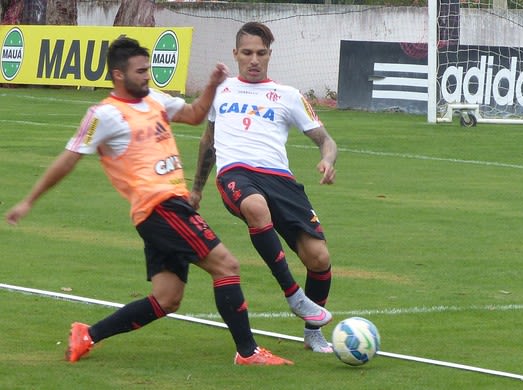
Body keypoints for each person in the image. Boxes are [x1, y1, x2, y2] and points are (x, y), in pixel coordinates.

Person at [4, 37, 293, 366]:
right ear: (118, 75)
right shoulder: (105, 115)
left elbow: (195, 114)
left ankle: (88, 334)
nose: (147, 77)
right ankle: (248, 352)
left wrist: (212, 85)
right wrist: (29, 200)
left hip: (170, 207)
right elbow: (68, 159)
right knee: (227, 266)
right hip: (160, 208)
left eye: (148, 70)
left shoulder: (154, 99)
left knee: (167, 299)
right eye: (140, 72)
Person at [189, 22, 337, 353]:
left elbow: (326, 140)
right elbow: (208, 142)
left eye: (261, 53)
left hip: (280, 181)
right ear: (235, 54)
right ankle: (293, 296)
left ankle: (313, 334)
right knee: (256, 207)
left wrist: (328, 160)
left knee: (319, 257)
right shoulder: (222, 90)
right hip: (236, 174)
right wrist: (196, 188)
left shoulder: (289, 95)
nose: (254, 60)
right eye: (247, 53)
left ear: (270, 54)